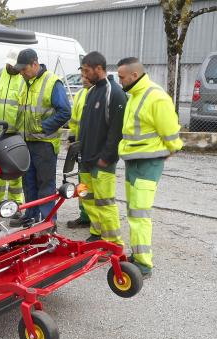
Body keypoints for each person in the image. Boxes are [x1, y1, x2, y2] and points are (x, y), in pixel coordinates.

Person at [117, 57, 183, 278]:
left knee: (140, 214)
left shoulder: (156, 97)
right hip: (134, 161)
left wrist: (170, 150)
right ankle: (137, 254)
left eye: (122, 77)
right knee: (134, 212)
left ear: (134, 76)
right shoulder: (135, 95)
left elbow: (171, 131)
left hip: (147, 163)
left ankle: (144, 264)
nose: (120, 81)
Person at [10, 48, 71, 227]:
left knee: (45, 184)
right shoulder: (25, 82)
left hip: (44, 143)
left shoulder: (53, 82)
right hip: (27, 142)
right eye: (20, 70)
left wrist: (42, 127)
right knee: (28, 182)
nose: (21, 73)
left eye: (24, 69)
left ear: (35, 64)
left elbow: (65, 111)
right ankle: (31, 214)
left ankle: (48, 221)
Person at [78, 51, 127, 245]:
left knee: (105, 203)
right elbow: (86, 125)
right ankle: (96, 233)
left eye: (87, 70)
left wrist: (106, 157)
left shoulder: (113, 92)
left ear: (99, 69)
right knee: (88, 199)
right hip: (87, 159)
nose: (84, 74)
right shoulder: (92, 91)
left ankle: (113, 243)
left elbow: (117, 131)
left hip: (102, 161)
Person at [0, 49, 25, 211]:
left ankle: (16, 203)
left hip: (15, 132)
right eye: (9, 63)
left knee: (16, 169)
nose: (11, 67)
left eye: (14, 65)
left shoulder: (24, 79)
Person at [66, 72, 92, 229]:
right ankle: (85, 216)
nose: (83, 79)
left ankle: (97, 218)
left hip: (95, 147)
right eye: (82, 76)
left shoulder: (102, 93)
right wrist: (73, 140)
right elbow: (74, 121)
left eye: (86, 76)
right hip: (82, 146)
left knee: (96, 186)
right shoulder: (81, 94)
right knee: (83, 183)